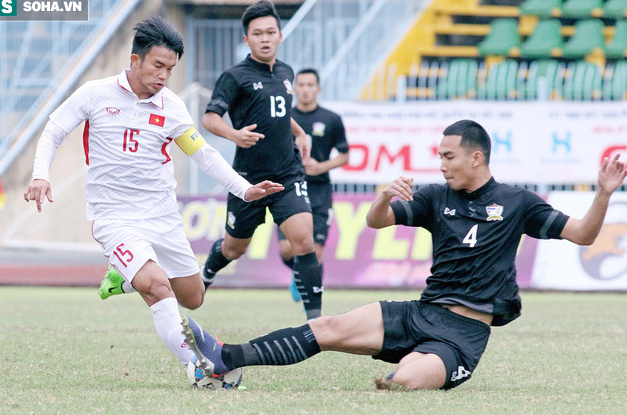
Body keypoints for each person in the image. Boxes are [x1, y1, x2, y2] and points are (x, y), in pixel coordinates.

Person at [180, 119, 627, 390]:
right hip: (419, 312)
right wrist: (381, 197)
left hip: (462, 336)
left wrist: (605, 194)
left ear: (476, 157)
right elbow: (377, 222)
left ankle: (415, 371)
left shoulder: (517, 203)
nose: (441, 164)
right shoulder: (435, 196)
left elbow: (585, 234)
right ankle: (225, 358)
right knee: (327, 327)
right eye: (439, 156)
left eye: (449, 156)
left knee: (404, 381)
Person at [23, 16, 282, 372]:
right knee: (158, 288)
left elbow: (202, 153)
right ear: (135, 60)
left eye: (170, 69)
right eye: (158, 65)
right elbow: (53, 130)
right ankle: (199, 367)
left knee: (193, 297)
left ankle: (124, 278)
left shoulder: (171, 106)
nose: (163, 75)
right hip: (114, 217)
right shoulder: (95, 94)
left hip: (162, 216)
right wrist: (41, 175)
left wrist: (245, 188)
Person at [198, 0, 325, 321]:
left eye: (271, 32)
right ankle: (206, 274)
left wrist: (300, 134)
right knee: (233, 249)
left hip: (288, 174)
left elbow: (280, 113)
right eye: (257, 34)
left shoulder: (286, 73)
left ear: (280, 36)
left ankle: (316, 322)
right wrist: (235, 135)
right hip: (248, 180)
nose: (265, 38)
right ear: (247, 40)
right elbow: (209, 119)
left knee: (304, 241)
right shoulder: (235, 76)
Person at [276, 68, 349, 302]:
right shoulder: (283, 117)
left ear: (318, 89)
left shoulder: (331, 119)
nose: (306, 90)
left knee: (315, 252)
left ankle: (313, 302)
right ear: (294, 89)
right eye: (302, 85)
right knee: (287, 249)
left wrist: (322, 166)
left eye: (310, 85)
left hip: (319, 190)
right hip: (289, 187)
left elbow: (345, 155)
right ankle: (300, 273)